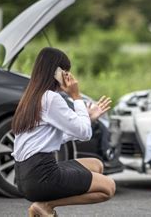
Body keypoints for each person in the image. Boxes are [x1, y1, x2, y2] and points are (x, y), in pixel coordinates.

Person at [12, 47, 116, 216]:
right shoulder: (51, 98)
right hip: (41, 176)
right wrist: (76, 96)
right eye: (66, 71)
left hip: (25, 175)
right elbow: (84, 134)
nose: (69, 76)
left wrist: (87, 119)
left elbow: (55, 137)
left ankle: (44, 204)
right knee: (108, 187)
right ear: (56, 72)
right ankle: (46, 205)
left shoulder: (32, 97)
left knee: (96, 165)